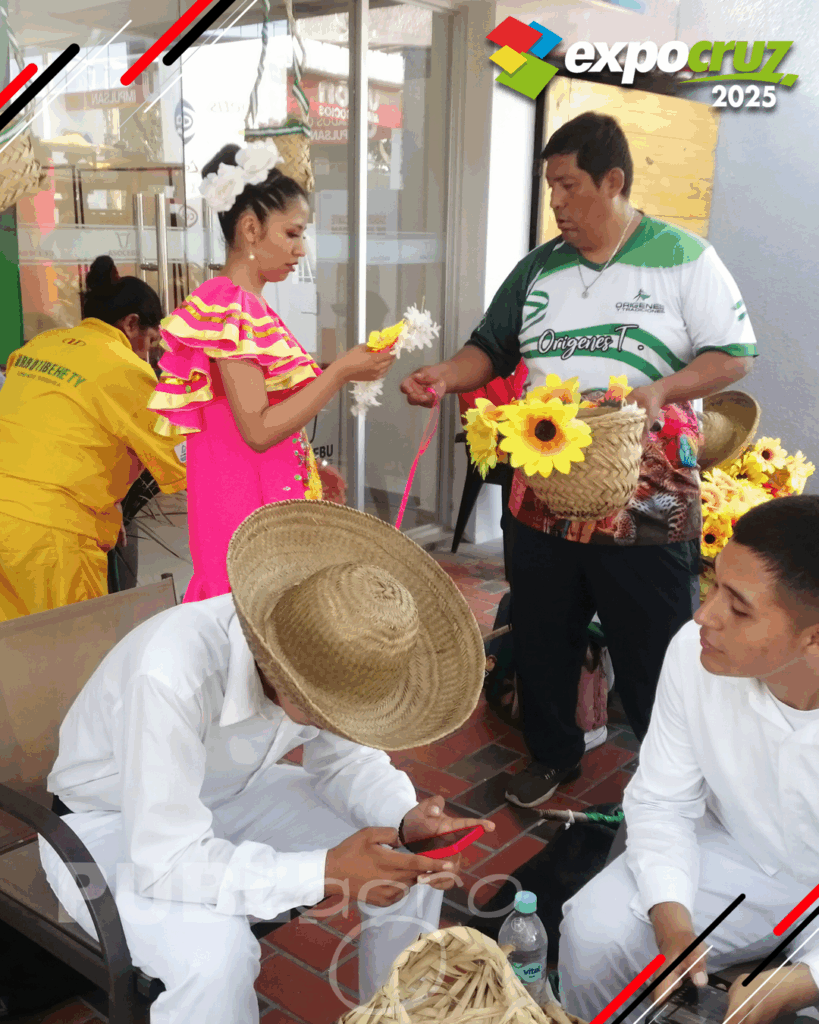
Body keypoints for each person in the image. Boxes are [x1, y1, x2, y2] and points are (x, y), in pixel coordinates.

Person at [401, 112, 757, 808]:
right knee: (542, 633)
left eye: (568, 186)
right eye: (550, 187)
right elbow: (490, 348)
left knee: (658, 649)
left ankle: (672, 786)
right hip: (543, 488)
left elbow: (733, 355)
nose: (556, 202)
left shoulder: (683, 258)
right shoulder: (538, 268)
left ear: (612, 181)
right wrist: (445, 375)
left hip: (647, 496)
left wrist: (664, 388)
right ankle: (552, 755)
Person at [39, 499, 493, 1024]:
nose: (340, 723)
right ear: (279, 666)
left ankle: (392, 1015)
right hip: (106, 829)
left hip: (229, 794)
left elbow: (346, 762)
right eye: (331, 711)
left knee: (405, 860)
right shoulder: (170, 675)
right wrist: (325, 870)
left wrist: (405, 819)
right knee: (215, 961)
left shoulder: (320, 644)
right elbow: (166, 862)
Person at [557, 496, 819, 1024]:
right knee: (594, 931)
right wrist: (673, 922)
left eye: (738, 608)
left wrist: (804, 980)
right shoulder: (694, 653)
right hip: (740, 852)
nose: (704, 614)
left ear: (813, 639)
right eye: (712, 583)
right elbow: (662, 799)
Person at [149, 142, 395, 603]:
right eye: (292, 233)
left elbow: (259, 414)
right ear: (250, 228)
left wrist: (310, 465)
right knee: (250, 616)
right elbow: (258, 429)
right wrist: (340, 371)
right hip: (244, 512)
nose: (301, 249)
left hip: (255, 502)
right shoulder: (230, 308)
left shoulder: (243, 306)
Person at [0, 257, 186, 621]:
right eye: (150, 342)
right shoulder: (126, 367)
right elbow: (179, 459)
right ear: (131, 324)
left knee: (14, 644)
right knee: (75, 645)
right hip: (54, 540)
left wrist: (109, 509)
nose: (149, 355)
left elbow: (55, 433)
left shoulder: (39, 346)